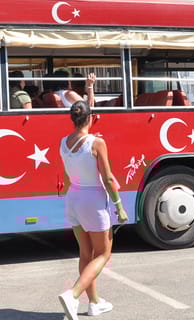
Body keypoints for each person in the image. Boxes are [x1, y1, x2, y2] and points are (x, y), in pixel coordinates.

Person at [57, 100, 126, 320]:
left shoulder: (63, 142)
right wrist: (119, 206)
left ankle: (94, 303)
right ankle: (73, 295)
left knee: (85, 254)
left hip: (73, 199)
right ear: (91, 118)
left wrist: (89, 91)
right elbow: (107, 178)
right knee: (104, 253)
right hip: (93, 201)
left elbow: (71, 175)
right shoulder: (97, 143)